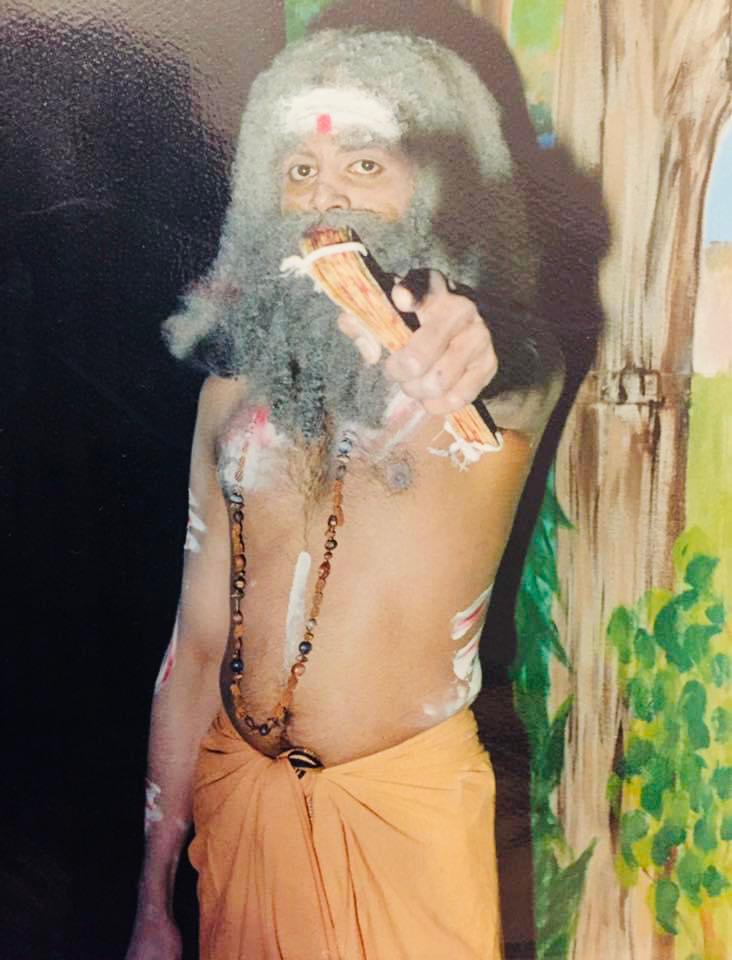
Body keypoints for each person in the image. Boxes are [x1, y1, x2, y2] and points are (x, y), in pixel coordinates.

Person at [126, 20, 565, 960]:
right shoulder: (229, 405)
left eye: (365, 165)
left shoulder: (478, 383)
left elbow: (517, 362)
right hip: (239, 811)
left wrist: (469, 336)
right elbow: (194, 652)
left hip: (404, 828)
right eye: (299, 171)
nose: (325, 198)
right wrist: (154, 899)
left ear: (441, 191)